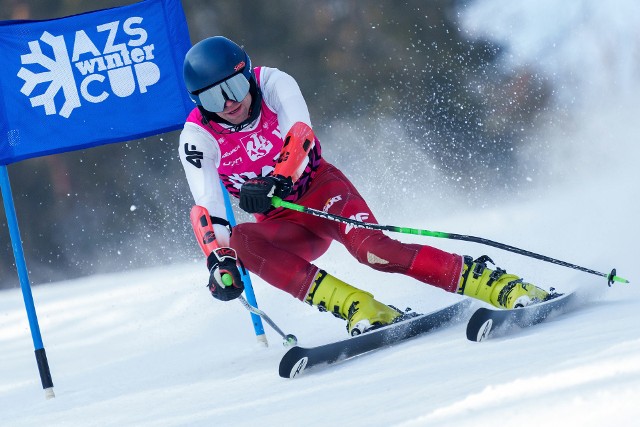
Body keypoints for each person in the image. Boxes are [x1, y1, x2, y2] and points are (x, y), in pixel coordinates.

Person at [178, 36, 550, 336]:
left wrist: (277, 177)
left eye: (234, 86)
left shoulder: (273, 82)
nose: (229, 102)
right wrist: (218, 260)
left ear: (247, 75)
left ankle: (501, 285)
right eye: (213, 96)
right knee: (242, 242)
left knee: (376, 252)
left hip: (322, 192)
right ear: (199, 102)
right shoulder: (197, 136)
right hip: (286, 223)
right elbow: (207, 205)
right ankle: (361, 308)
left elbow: (300, 134)